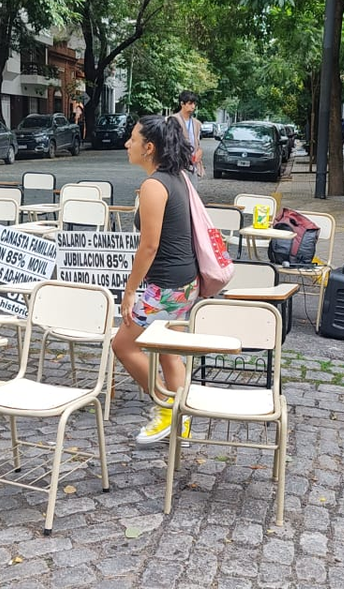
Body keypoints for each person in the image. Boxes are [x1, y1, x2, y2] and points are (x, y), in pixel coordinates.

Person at [111, 115, 198, 445]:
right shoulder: (175, 178)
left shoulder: (154, 185)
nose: (127, 144)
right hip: (184, 282)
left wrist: (130, 291)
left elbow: (149, 245)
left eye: (132, 139)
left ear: (149, 147)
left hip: (165, 286)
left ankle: (166, 407)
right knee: (168, 352)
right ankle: (182, 419)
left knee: (123, 345)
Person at [172, 90, 204, 176]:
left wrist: (200, 151)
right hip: (177, 165)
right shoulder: (173, 120)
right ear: (182, 104)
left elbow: (197, 142)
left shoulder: (196, 123)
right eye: (190, 103)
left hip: (193, 165)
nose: (193, 106)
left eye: (194, 104)